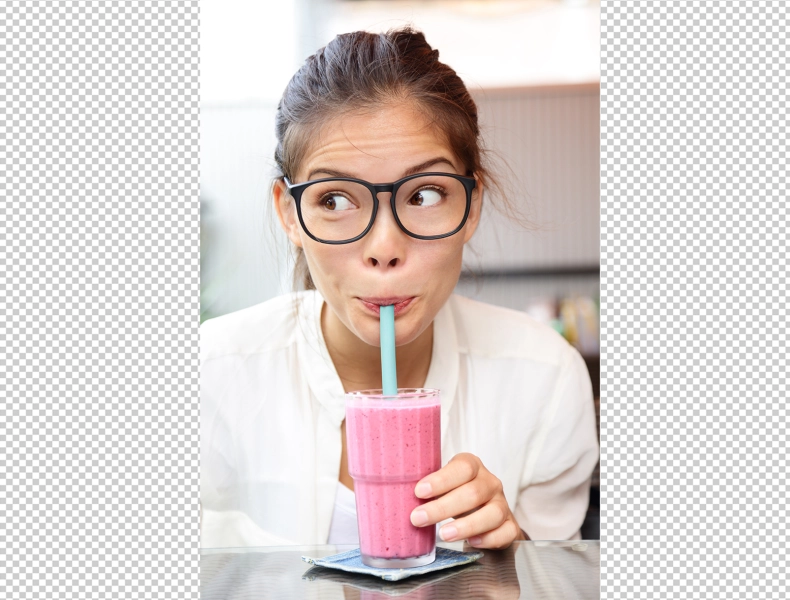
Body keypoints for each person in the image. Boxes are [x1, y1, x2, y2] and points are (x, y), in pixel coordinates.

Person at [200, 27, 598, 549]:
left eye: (425, 194)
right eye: (335, 201)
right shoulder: (211, 379)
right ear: (289, 213)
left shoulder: (542, 382)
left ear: (472, 206)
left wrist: (515, 558)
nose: (384, 247)